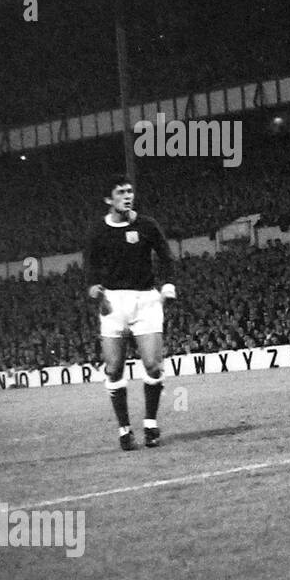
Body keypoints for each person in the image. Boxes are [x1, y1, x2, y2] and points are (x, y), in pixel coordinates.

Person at [84, 177, 176, 450]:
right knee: (113, 369)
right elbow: (89, 265)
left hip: (146, 300)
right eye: (120, 192)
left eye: (130, 191)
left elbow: (166, 256)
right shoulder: (97, 231)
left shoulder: (147, 225)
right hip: (113, 302)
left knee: (153, 365)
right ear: (108, 200)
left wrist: (168, 283)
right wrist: (92, 287)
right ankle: (124, 430)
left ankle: (150, 424)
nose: (127, 196)